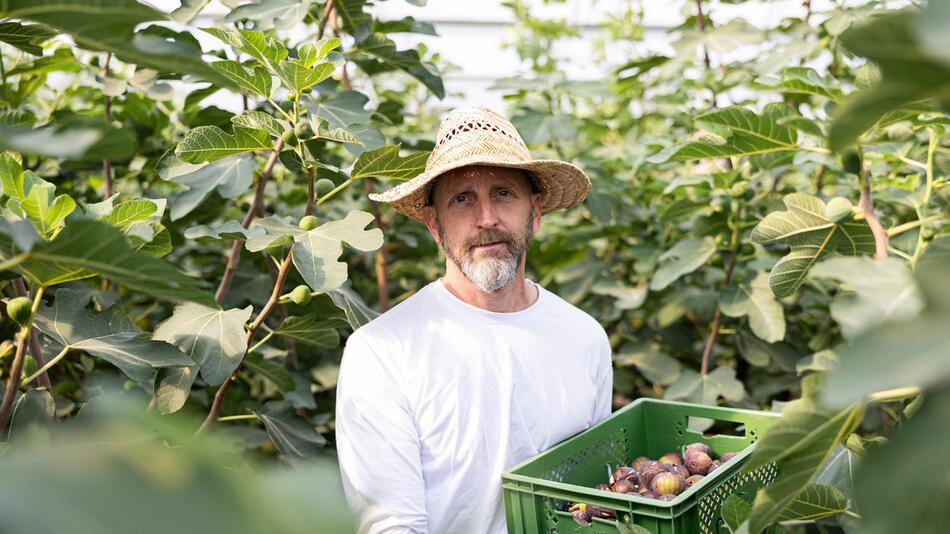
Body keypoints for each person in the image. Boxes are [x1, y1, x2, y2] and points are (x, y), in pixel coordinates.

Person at [335, 106, 613, 533]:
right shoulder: (383, 351)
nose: (486, 219)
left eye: (503, 193)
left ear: (535, 212)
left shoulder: (583, 338)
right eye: (462, 199)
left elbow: (594, 500)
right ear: (434, 224)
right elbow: (391, 525)